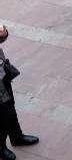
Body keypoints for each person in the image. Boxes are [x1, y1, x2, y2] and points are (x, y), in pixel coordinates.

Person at [0, 25, 40, 160]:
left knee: (10, 105)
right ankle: (0, 148)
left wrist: (3, 33)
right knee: (3, 113)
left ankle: (16, 136)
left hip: (2, 74)